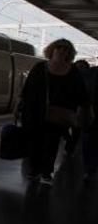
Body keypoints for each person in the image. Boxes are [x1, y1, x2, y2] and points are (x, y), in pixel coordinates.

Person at [19, 39, 91, 187]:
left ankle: (46, 172)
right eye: (59, 47)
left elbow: (81, 93)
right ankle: (34, 170)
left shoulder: (72, 71)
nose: (62, 51)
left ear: (69, 53)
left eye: (66, 49)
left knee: (52, 143)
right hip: (35, 112)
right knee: (34, 142)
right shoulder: (40, 67)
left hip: (59, 115)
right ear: (52, 49)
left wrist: (83, 109)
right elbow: (27, 89)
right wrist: (18, 106)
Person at [63, 59, 92, 154]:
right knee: (65, 128)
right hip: (68, 109)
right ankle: (69, 144)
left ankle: (70, 147)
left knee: (76, 130)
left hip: (79, 110)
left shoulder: (89, 80)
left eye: (82, 67)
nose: (79, 69)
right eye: (77, 67)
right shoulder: (68, 78)